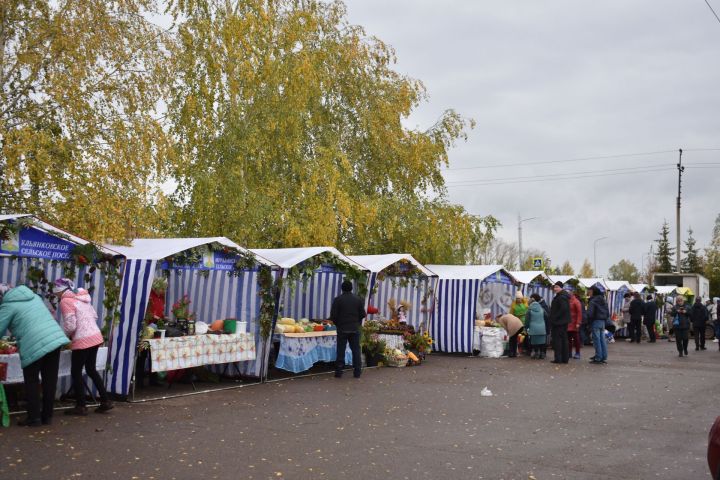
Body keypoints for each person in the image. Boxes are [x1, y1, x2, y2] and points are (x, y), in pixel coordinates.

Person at [0, 284, 70, 426]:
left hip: (33, 343)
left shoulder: (8, 306)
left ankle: (34, 418)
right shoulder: (34, 298)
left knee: (32, 381)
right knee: (49, 381)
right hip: (54, 339)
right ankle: (47, 416)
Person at [53, 278, 113, 415]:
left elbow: (71, 325)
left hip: (82, 339)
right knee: (91, 369)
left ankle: (81, 406)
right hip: (95, 336)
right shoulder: (83, 297)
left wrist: (64, 337)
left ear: (60, 291)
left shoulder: (65, 301)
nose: (56, 296)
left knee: (76, 371)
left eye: (56, 293)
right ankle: (105, 400)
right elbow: (95, 316)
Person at [330, 280, 366, 378]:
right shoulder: (358, 300)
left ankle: (339, 372)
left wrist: (338, 324)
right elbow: (363, 314)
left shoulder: (338, 300)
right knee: (356, 350)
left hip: (342, 328)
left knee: (341, 350)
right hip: (354, 328)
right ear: (351, 288)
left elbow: (333, 316)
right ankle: (357, 372)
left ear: (342, 288)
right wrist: (357, 323)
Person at [587, 285, 610, 364]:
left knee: (596, 340)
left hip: (595, 321)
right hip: (602, 321)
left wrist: (588, 320)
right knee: (602, 340)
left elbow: (590, 313)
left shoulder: (593, 301)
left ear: (593, 292)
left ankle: (598, 357)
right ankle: (603, 356)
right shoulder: (603, 300)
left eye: (589, 291)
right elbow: (607, 312)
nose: (588, 293)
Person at [549, 281, 571, 364]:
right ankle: (564, 358)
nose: (555, 289)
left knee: (558, 341)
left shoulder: (561, 297)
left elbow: (563, 309)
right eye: (554, 287)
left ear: (561, 288)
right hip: (562, 322)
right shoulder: (562, 296)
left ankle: (559, 358)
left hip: (559, 322)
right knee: (563, 340)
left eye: (557, 287)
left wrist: (555, 317)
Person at [568, 293, 583, 359]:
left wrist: (578, 323)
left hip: (574, 323)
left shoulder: (576, 301)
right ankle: (569, 353)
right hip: (568, 323)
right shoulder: (567, 300)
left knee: (576, 339)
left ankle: (577, 353)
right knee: (568, 339)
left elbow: (579, 313)